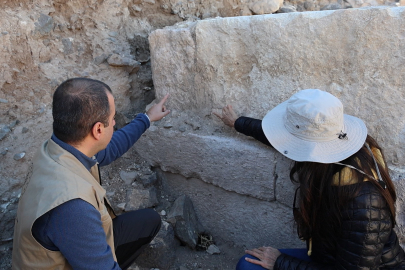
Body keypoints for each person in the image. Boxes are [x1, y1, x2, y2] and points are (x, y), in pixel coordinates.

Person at [214, 89, 405, 269]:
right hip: (326, 257)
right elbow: (281, 138)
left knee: (248, 265)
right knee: (248, 264)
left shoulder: (365, 204)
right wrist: (238, 122)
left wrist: (280, 263)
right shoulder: (334, 149)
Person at [12, 78, 170, 270]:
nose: (114, 122)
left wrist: (146, 119)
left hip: (67, 239)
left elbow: (110, 148)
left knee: (148, 221)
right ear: (98, 130)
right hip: (71, 238)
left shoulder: (58, 148)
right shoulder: (72, 207)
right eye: (112, 118)